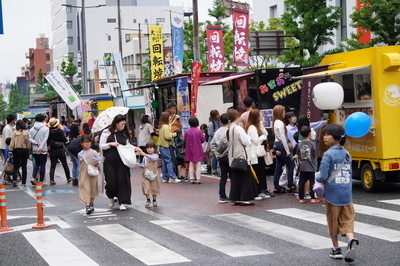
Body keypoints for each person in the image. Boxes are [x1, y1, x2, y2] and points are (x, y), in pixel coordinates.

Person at [316, 124, 359, 262]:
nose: (325, 137)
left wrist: (315, 177)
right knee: (347, 220)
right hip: (346, 193)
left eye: (327, 134)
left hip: (332, 194)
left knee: (332, 222)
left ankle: (336, 249)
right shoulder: (347, 154)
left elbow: (322, 176)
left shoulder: (328, 154)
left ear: (335, 137)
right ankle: (351, 240)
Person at [100, 114, 137, 211]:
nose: (123, 126)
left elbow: (128, 145)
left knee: (123, 181)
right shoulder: (106, 133)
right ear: (116, 124)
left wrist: (135, 148)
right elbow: (101, 146)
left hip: (122, 161)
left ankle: (122, 202)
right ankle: (111, 196)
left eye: (124, 124)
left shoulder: (124, 134)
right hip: (110, 161)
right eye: (121, 124)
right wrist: (110, 144)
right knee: (111, 181)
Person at [227, 109, 258, 206]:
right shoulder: (238, 128)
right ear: (236, 117)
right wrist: (248, 139)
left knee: (236, 178)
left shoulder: (229, 128)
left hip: (232, 157)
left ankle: (236, 198)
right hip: (241, 156)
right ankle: (245, 198)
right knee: (245, 178)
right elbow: (247, 141)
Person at [245, 109, 270, 200]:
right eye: (260, 115)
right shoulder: (251, 128)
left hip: (258, 154)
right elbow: (256, 141)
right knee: (258, 173)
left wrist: (260, 124)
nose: (261, 117)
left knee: (261, 172)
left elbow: (266, 133)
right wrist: (263, 137)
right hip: (254, 154)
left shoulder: (255, 126)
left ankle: (260, 190)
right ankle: (257, 192)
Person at [272, 105, 295, 194]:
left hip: (276, 144)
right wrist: (287, 151)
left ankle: (276, 187)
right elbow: (283, 137)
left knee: (278, 167)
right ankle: (290, 186)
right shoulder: (280, 123)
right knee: (290, 166)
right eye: (283, 111)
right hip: (281, 145)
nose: (284, 113)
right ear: (280, 112)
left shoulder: (275, 122)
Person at [294, 126, 319, 203]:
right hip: (311, 166)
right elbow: (315, 155)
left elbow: (297, 154)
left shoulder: (299, 144)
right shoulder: (313, 144)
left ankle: (301, 198)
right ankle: (313, 198)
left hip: (302, 166)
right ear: (309, 134)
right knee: (312, 182)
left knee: (301, 182)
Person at [210, 113, 230, 203]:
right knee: (234, 176)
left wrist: (216, 153)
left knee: (223, 177)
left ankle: (222, 196)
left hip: (221, 156)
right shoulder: (231, 130)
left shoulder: (217, 131)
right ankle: (234, 195)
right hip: (230, 156)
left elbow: (212, 144)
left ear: (221, 121)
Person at [78, 135, 99, 215]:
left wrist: (97, 163)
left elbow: (99, 161)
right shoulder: (80, 154)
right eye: (85, 142)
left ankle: (91, 203)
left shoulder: (94, 152)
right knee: (85, 188)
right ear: (81, 143)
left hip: (93, 173)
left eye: (88, 142)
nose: (87, 144)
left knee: (92, 188)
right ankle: (87, 206)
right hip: (84, 173)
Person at [158, 111, 181, 183]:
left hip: (161, 146)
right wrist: (174, 134)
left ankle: (165, 177)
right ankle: (172, 177)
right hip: (166, 146)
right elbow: (168, 136)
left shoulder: (161, 126)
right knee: (169, 161)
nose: (170, 117)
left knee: (164, 162)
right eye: (169, 116)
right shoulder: (166, 126)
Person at [47, 118, 71, 185]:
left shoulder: (49, 132)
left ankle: (52, 179)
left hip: (53, 150)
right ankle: (68, 177)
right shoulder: (60, 131)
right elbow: (64, 139)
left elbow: (48, 142)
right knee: (64, 164)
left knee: (52, 166)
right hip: (60, 150)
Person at [29, 114, 49, 185]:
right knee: (43, 165)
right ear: (43, 120)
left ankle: (33, 177)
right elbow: (45, 139)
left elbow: (29, 138)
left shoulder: (32, 129)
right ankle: (41, 181)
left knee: (36, 164)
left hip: (35, 149)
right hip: (43, 149)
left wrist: (36, 143)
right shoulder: (46, 129)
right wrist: (40, 148)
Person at [9, 120, 31, 187]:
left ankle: (14, 180)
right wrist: (29, 150)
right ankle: (24, 182)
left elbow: (12, 142)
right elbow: (28, 142)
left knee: (16, 166)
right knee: (24, 166)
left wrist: (10, 151)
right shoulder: (27, 132)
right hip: (24, 149)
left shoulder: (15, 132)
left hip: (16, 149)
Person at [139, 141, 160, 207]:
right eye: (148, 148)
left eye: (151, 148)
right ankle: (148, 200)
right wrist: (141, 165)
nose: (149, 149)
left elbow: (153, 159)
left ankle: (154, 200)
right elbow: (143, 163)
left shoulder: (155, 156)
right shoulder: (144, 158)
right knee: (146, 187)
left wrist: (145, 154)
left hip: (154, 174)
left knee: (154, 187)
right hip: (146, 174)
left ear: (154, 149)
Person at [184, 117, 205, 184]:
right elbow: (203, 139)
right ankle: (198, 178)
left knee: (191, 163)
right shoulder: (199, 131)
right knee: (198, 163)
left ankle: (192, 178)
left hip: (189, 149)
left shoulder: (187, 131)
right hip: (198, 148)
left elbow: (185, 140)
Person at [207, 110, 222, 176]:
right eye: (217, 115)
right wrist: (217, 133)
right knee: (214, 155)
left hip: (220, 140)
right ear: (214, 116)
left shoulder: (220, 121)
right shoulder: (211, 124)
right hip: (213, 141)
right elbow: (210, 133)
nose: (219, 115)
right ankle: (214, 170)